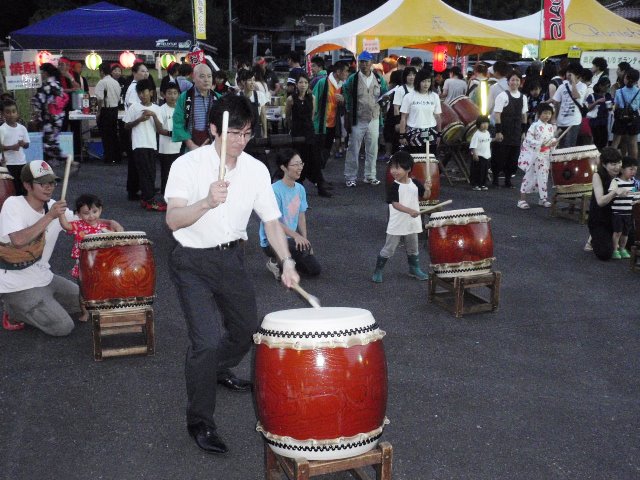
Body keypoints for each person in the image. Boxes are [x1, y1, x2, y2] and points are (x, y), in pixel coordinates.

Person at [164, 94, 299, 455]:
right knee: (205, 341)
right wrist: (207, 202)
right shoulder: (187, 166)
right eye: (234, 133)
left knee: (245, 332)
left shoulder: (255, 169)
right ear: (213, 130)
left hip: (232, 258)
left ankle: (218, 368)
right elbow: (173, 220)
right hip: (191, 260)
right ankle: (200, 421)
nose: (240, 141)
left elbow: (271, 221)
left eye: (247, 133)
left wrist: (286, 261)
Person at [0, 161, 78, 335]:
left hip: (44, 276)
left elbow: (82, 223)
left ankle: (40, 303)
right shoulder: (13, 204)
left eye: (51, 182)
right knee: (63, 327)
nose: (48, 187)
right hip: (15, 284)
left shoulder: (53, 206)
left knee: (84, 302)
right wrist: (50, 216)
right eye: (42, 183)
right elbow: (18, 240)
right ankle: (13, 310)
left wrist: (109, 223)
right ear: (27, 185)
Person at [58, 193, 123, 321]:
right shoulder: (79, 226)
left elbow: (118, 235)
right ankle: (85, 312)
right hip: (84, 265)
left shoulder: (105, 227)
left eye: (95, 211)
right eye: (86, 213)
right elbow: (66, 226)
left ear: (100, 210)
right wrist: (61, 214)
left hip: (102, 264)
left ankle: (105, 309)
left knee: (103, 287)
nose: (91, 216)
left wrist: (115, 227)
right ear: (78, 214)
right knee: (84, 290)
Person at [260, 148, 321, 280]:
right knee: (294, 257)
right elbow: (273, 222)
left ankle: (287, 261)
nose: (300, 168)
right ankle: (275, 262)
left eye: (301, 164)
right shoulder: (273, 191)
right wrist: (296, 236)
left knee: (314, 270)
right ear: (284, 167)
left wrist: (305, 241)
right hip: (272, 240)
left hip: (291, 239)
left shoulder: (300, 189)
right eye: (295, 165)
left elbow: (301, 216)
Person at [372, 150, 430, 283]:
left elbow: (425, 196)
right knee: (389, 248)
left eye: (397, 168)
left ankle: (413, 269)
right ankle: (378, 270)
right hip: (397, 222)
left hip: (412, 222)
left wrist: (427, 188)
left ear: (408, 169)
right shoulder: (394, 186)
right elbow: (395, 204)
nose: (393, 171)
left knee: (413, 247)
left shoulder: (415, 183)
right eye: (392, 167)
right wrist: (410, 211)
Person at [343, 51, 389, 187]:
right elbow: (345, 91)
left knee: (372, 148)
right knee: (353, 148)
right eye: (361, 62)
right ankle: (350, 176)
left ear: (371, 63)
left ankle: (370, 175)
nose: (364, 64)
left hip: (374, 118)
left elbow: (384, 92)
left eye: (366, 62)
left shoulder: (378, 78)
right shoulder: (353, 78)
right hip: (358, 118)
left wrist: (385, 99)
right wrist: (348, 107)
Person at [285, 73, 331, 198]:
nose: (303, 85)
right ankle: (298, 189)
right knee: (298, 160)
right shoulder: (291, 99)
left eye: (305, 82)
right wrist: (292, 128)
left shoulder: (312, 98)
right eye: (300, 82)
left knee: (314, 160)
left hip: (309, 132)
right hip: (297, 132)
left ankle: (320, 186)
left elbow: (312, 115)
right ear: (296, 84)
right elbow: (288, 116)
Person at [123, 79, 166, 211]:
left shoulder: (157, 109)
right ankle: (149, 200)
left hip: (152, 145)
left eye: (144, 92)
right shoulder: (134, 107)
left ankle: (146, 199)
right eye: (139, 92)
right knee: (145, 173)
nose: (142, 95)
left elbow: (160, 129)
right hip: (139, 144)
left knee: (151, 172)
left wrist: (153, 115)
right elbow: (126, 126)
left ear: (151, 92)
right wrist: (139, 120)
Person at [517, 103, 558, 209]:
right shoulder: (534, 126)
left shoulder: (550, 127)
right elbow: (528, 140)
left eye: (549, 113)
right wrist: (540, 143)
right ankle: (522, 199)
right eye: (545, 113)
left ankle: (543, 198)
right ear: (539, 114)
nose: (547, 116)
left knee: (543, 177)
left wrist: (553, 142)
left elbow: (552, 139)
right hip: (535, 155)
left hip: (545, 156)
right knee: (529, 176)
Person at [588, 147, 626, 260]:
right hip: (600, 219)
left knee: (632, 243)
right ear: (604, 165)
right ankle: (593, 238)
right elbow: (600, 201)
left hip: (619, 218)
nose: (618, 167)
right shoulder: (597, 176)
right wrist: (614, 193)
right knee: (605, 254)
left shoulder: (623, 174)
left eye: (619, 162)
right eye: (613, 164)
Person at [492, 71, 528, 188]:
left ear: (520, 82)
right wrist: (498, 131)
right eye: (512, 80)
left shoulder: (523, 97)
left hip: (516, 131)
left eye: (517, 80)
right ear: (508, 82)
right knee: (500, 155)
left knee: (513, 157)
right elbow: (497, 114)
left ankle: (508, 179)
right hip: (504, 130)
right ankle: (495, 178)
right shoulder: (502, 96)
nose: (515, 82)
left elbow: (524, 115)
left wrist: (523, 131)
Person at [172, 63, 219, 150]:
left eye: (209, 76)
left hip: (214, 146)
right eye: (202, 76)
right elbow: (178, 122)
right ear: (193, 78)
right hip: (191, 146)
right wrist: (191, 145)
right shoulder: (185, 97)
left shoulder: (218, 98)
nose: (206, 80)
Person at [31, 63, 68, 165]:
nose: (40, 74)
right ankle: (51, 170)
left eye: (41, 72)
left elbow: (39, 101)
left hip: (49, 118)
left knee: (48, 144)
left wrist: (36, 115)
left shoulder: (46, 85)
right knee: (52, 142)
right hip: (59, 116)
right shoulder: (57, 83)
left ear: (45, 73)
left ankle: (68, 160)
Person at [313, 60, 349, 163]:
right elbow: (313, 100)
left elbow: (345, 103)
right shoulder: (323, 82)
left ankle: (320, 169)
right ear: (338, 72)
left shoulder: (342, 86)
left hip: (333, 124)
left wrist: (343, 100)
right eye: (346, 71)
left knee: (326, 150)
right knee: (318, 151)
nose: (347, 74)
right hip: (320, 123)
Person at [398, 69, 442, 154]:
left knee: (430, 162)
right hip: (413, 133)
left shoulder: (434, 96)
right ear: (418, 81)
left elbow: (438, 116)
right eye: (424, 81)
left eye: (428, 81)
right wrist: (402, 135)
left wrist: (439, 134)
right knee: (414, 162)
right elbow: (403, 118)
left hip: (431, 132)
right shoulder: (409, 96)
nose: (426, 84)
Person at [552, 63, 587, 149]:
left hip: (573, 122)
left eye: (572, 73)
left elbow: (576, 96)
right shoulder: (562, 86)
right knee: (559, 146)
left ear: (578, 75)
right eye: (568, 72)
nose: (569, 74)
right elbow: (555, 102)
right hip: (561, 121)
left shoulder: (582, 86)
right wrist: (555, 118)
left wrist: (574, 82)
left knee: (569, 147)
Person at [608, 156, 637, 259]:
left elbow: (635, 194)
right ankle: (615, 249)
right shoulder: (616, 181)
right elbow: (611, 193)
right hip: (617, 213)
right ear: (622, 169)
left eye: (635, 170)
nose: (633, 172)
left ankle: (622, 248)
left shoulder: (633, 182)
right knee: (617, 232)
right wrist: (617, 192)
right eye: (631, 169)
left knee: (626, 233)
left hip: (628, 213)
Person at [94, 62, 122, 164]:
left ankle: (109, 158)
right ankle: (117, 157)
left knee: (106, 135)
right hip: (114, 109)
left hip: (106, 110)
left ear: (101, 72)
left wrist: (99, 111)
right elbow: (119, 97)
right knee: (113, 134)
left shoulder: (102, 82)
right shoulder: (115, 82)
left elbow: (100, 98)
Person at [158, 83, 182, 195]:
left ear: (179, 94)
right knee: (166, 173)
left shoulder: (181, 109)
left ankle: (178, 194)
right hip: (166, 148)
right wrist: (173, 133)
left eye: (175, 93)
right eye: (169, 93)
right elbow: (159, 129)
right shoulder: (161, 109)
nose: (172, 96)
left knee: (180, 173)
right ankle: (165, 195)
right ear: (164, 95)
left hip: (181, 147)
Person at [0, 99, 29, 195]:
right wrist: (11, 147)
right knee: (12, 188)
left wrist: (23, 144)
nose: (11, 114)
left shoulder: (22, 128)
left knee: (24, 188)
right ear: (3, 114)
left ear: (17, 113)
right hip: (8, 164)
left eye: (13, 111)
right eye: (8, 112)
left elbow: (27, 145)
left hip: (22, 162)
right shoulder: (2, 129)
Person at [611, 68, 640, 160]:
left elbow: (616, 106)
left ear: (625, 78)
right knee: (633, 143)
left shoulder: (619, 92)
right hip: (634, 118)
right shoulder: (639, 92)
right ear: (636, 80)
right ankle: (633, 167)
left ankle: (612, 162)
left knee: (615, 142)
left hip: (620, 117)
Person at [236, 69, 268, 140]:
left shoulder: (260, 95)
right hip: (242, 134)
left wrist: (265, 134)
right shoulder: (238, 97)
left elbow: (263, 115)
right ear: (243, 82)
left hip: (256, 132)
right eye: (250, 80)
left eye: (254, 80)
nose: (253, 82)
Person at [586, 77, 613, 151]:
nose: (606, 88)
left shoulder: (608, 95)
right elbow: (588, 108)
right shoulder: (592, 95)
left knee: (604, 141)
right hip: (594, 121)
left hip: (605, 121)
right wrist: (597, 101)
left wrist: (610, 107)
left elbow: (611, 108)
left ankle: (602, 156)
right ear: (600, 85)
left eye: (608, 86)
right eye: (605, 86)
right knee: (596, 141)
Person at [469, 115, 492, 191]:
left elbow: (489, 140)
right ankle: (475, 184)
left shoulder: (487, 133)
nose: (485, 125)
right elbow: (473, 146)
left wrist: (495, 139)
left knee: (484, 171)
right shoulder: (476, 134)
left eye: (486, 123)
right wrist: (475, 154)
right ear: (479, 125)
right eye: (483, 123)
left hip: (486, 156)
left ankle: (482, 184)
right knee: (477, 171)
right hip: (479, 156)